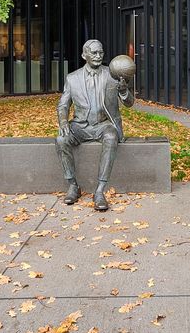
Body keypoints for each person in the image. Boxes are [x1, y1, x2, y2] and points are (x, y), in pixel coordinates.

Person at [55, 40, 134, 211]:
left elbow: (129, 103)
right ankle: (73, 186)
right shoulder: (72, 78)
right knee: (61, 139)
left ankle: (99, 191)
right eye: (94, 53)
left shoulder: (113, 75)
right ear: (84, 55)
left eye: (101, 53)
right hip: (79, 126)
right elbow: (63, 105)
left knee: (111, 137)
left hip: (104, 125)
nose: (98, 56)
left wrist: (123, 91)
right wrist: (63, 121)